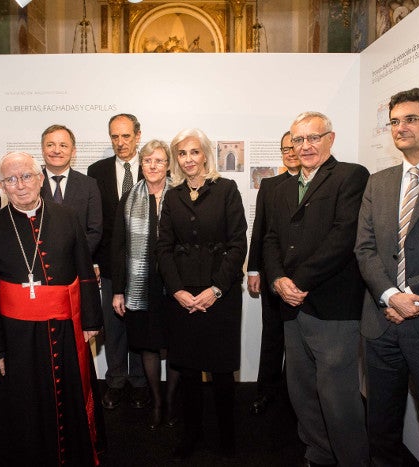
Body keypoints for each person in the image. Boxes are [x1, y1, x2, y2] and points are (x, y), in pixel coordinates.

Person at [0, 152, 105, 466]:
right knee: (25, 406)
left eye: (27, 176)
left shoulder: (67, 217)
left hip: (65, 329)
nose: (20, 185)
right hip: (16, 338)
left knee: (67, 399)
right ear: (2, 186)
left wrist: (91, 320)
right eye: (11, 180)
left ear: (41, 178)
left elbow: (84, 270)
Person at [263, 112, 370, 466]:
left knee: (338, 399)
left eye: (313, 138)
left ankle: (351, 459)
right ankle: (319, 454)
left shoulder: (350, 176)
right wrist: (278, 280)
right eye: (298, 140)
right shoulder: (282, 186)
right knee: (303, 392)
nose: (305, 146)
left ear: (331, 139)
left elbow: (343, 237)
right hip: (292, 307)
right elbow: (272, 237)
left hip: (332, 307)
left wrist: (299, 282)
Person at [355, 88, 419, 466]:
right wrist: (390, 295)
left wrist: (413, 294)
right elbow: (365, 247)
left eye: (411, 119)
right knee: (381, 425)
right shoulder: (379, 181)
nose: (401, 127)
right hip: (380, 323)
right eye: (395, 121)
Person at [156, 128, 247, 459]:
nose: (188, 159)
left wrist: (217, 289)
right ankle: (190, 435)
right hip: (183, 295)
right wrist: (177, 289)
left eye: (194, 152)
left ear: (205, 155)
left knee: (222, 372)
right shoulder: (172, 195)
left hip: (218, 292)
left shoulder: (226, 189)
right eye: (182, 153)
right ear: (177, 159)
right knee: (189, 372)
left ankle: (227, 439)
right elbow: (163, 247)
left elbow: (238, 243)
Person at [110, 139, 181, 431]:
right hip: (141, 286)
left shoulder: (181, 195)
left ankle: (173, 402)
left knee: (177, 346)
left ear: (168, 165)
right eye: (148, 161)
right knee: (149, 346)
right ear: (142, 165)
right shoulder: (130, 196)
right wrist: (118, 289)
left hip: (176, 285)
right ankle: (157, 402)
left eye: (159, 161)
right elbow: (118, 245)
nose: (153, 166)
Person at [88, 113, 148, 410]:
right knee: (113, 329)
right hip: (110, 264)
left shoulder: (152, 166)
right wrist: (96, 262)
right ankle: (115, 382)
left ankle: (139, 382)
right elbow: (96, 223)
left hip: (143, 265)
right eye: (115, 136)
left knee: (137, 326)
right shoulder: (95, 170)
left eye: (126, 136)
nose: (120, 142)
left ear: (138, 135)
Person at [247, 130, 299, 415]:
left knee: (299, 343)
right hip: (272, 274)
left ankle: (296, 396)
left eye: (295, 147)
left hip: (304, 279)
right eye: (285, 149)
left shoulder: (318, 184)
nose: (290, 152)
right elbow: (260, 229)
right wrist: (253, 268)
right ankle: (265, 392)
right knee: (272, 337)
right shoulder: (270, 185)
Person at [39, 124, 102, 255]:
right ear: (42, 149)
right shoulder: (30, 183)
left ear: (73, 151)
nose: (56, 150)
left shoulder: (89, 185)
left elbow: (95, 230)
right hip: (38, 263)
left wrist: (76, 259)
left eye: (63, 145)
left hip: (78, 266)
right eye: (50, 145)